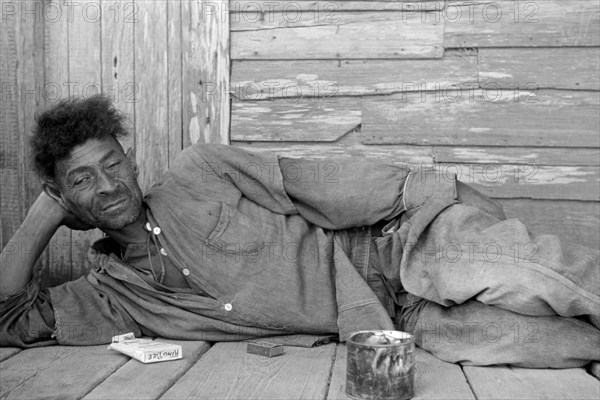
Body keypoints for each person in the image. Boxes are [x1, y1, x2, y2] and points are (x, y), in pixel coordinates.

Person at [1, 95, 598, 368]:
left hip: (397, 246)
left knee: (536, 272)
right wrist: (40, 219)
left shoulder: (198, 171)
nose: (106, 186)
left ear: (130, 160)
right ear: (62, 196)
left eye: (112, 165)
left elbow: (321, 184)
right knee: (543, 345)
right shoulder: (109, 297)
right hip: (388, 325)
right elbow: (7, 320)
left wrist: (434, 192)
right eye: (81, 181)